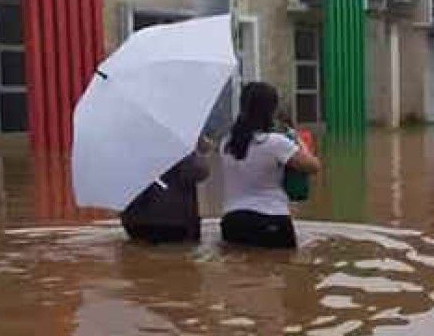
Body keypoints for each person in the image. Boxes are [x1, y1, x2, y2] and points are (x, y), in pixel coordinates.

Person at [220, 82, 322, 249]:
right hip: (272, 220)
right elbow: (314, 166)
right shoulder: (275, 143)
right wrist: (299, 141)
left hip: (232, 223)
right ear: (271, 110)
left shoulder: (226, 143)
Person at [120, 146, 210, 244]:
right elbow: (200, 172)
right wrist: (196, 153)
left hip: (135, 222)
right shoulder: (177, 146)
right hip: (173, 221)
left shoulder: (124, 148)